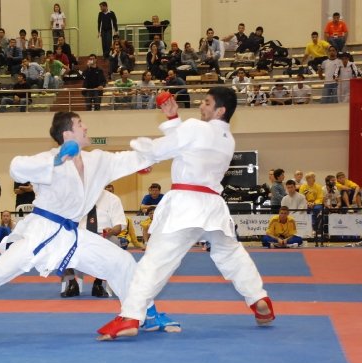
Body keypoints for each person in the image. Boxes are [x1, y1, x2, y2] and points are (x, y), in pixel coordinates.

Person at [0, 111, 175, 333]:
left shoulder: (98, 161)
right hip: (40, 232)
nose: (86, 127)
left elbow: (131, 158)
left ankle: (147, 314)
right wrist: (56, 161)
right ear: (67, 133)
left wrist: (162, 145)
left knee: (122, 262)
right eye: (80, 124)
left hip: (71, 234)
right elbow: (16, 168)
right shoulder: (48, 159)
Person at [97, 87, 275, 341]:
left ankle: (131, 316)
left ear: (220, 110)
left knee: (155, 262)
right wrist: (172, 118)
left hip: (185, 206)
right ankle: (258, 298)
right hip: (212, 206)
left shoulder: (195, 128)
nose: (201, 105)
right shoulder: (227, 140)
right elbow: (187, 146)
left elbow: (162, 148)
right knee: (231, 255)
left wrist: (140, 154)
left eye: (207, 102)